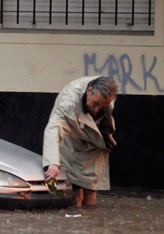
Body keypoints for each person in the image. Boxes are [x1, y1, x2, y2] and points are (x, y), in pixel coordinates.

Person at [43, 76, 118, 206]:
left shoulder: (107, 98)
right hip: (72, 142)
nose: (96, 110)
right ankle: (76, 221)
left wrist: (107, 134)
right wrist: (53, 163)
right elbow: (53, 129)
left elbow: (107, 115)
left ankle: (90, 222)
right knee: (75, 193)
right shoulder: (69, 103)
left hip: (93, 141)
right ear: (89, 91)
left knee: (92, 188)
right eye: (95, 104)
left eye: (102, 106)